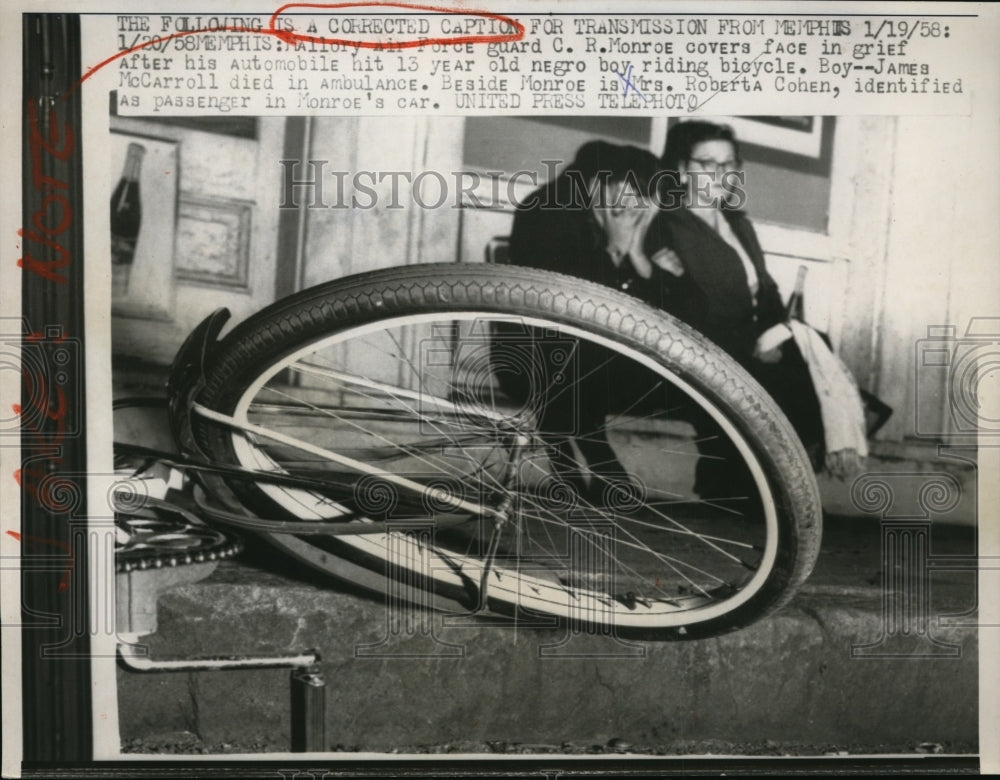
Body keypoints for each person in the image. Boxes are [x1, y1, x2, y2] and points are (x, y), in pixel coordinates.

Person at [648, 120, 825, 492]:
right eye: (706, 163)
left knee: (816, 349)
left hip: (754, 344)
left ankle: (769, 485)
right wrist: (755, 347)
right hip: (704, 350)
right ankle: (746, 486)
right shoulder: (665, 224)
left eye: (728, 164)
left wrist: (780, 333)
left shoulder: (739, 224)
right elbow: (681, 311)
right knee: (779, 381)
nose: (719, 174)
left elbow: (769, 293)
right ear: (681, 169)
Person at [502, 141, 671, 502]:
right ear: (601, 182)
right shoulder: (547, 212)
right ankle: (586, 469)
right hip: (536, 350)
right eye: (634, 191)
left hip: (591, 355)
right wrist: (615, 251)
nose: (638, 205)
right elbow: (567, 301)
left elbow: (668, 303)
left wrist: (635, 254)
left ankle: (576, 469)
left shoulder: (627, 214)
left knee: (580, 360)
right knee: (566, 355)